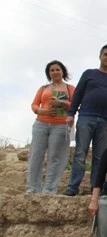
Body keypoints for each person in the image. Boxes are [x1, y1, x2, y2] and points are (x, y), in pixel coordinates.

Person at [64, 44, 107, 196]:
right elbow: (77, 94)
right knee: (80, 153)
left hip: (105, 122)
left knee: (100, 156)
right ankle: (73, 187)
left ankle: (95, 187)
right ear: (100, 56)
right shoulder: (89, 74)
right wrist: (71, 113)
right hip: (86, 116)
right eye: (106, 54)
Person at [28, 60, 76, 194]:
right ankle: (32, 189)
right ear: (49, 73)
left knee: (55, 158)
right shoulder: (43, 88)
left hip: (60, 125)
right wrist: (42, 111)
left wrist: (61, 102)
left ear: (63, 72)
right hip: (41, 123)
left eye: (57, 69)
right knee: (36, 156)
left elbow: (75, 104)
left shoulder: (70, 88)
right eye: (52, 70)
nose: (55, 72)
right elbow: (34, 105)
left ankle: (49, 190)